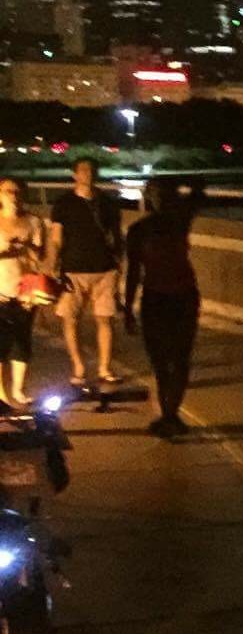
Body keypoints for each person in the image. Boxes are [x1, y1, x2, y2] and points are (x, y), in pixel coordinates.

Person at [122, 176, 206, 437]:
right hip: (157, 298)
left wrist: (128, 308)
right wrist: (128, 308)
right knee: (162, 362)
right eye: (157, 194)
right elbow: (133, 272)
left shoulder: (176, 220)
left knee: (179, 359)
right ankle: (170, 414)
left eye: (165, 194)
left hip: (180, 298)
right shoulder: (144, 229)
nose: (161, 199)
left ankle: (170, 414)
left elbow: (199, 190)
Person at [45, 155, 123, 389]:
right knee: (70, 320)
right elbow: (56, 238)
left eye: (91, 170)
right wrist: (52, 265)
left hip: (104, 269)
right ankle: (78, 367)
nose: (88, 174)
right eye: (83, 170)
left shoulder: (107, 203)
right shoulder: (63, 204)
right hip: (73, 270)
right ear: (75, 174)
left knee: (105, 319)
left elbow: (117, 237)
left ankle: (104, 368)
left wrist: (120, 265)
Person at [0, 179, 48, 408]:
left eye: (18, 192)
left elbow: (40, 257)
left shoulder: (33, 221)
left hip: (24, 291)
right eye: (9, 191)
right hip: (0, 288)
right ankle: (1, 394)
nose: (14, 196)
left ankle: (18, 390)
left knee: (21, 341)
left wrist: (27, 246)